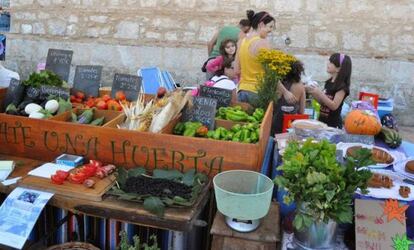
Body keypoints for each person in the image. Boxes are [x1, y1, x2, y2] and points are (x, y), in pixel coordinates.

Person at [235, 10, 296, 106]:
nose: (271, 30)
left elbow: (236, 70)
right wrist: (285, 92)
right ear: (261, 24)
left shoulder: (241, 42)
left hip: (241, 91)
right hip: (258, 93)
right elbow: (270, 73)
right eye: (270, 27)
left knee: (241, 121)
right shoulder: (262, 42)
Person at [306, 53, 352, 128]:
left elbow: (334, 106)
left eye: (331, 63)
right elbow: (323, 102)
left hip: (333, 125)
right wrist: (313, 92)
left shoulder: (342, 87)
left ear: (338, 68)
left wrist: (320, 93)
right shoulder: (328, 82)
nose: (328, 64)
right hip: (322, 122)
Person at [273, 60, 306, 134]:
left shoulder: (280, 86)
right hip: (290, 126)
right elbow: (301, 111)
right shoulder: (301, 87)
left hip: (276, 124)